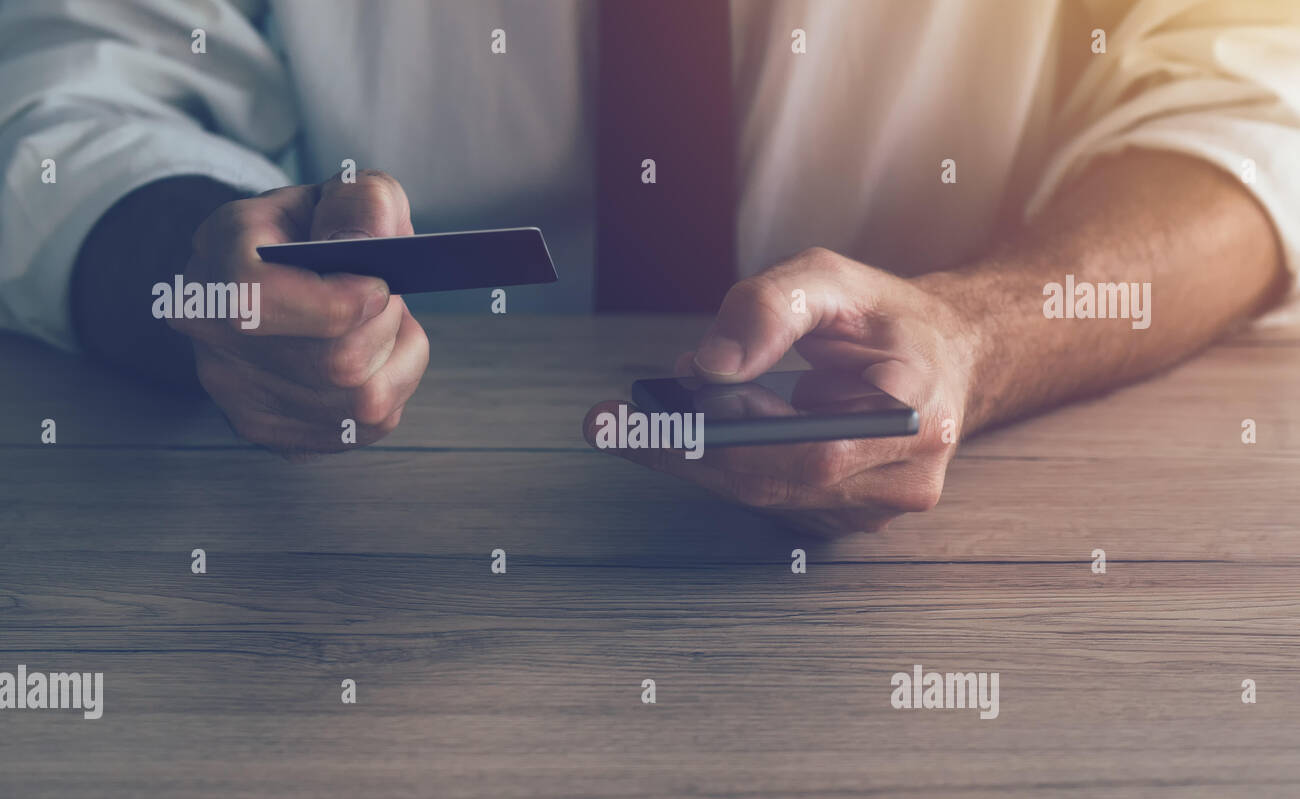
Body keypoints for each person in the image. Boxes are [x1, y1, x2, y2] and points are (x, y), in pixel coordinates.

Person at [1, 0, 1296, 534]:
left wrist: (980, 331)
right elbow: (71, 83)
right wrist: (199, 274)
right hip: (369, 528)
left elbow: (1248, 89)